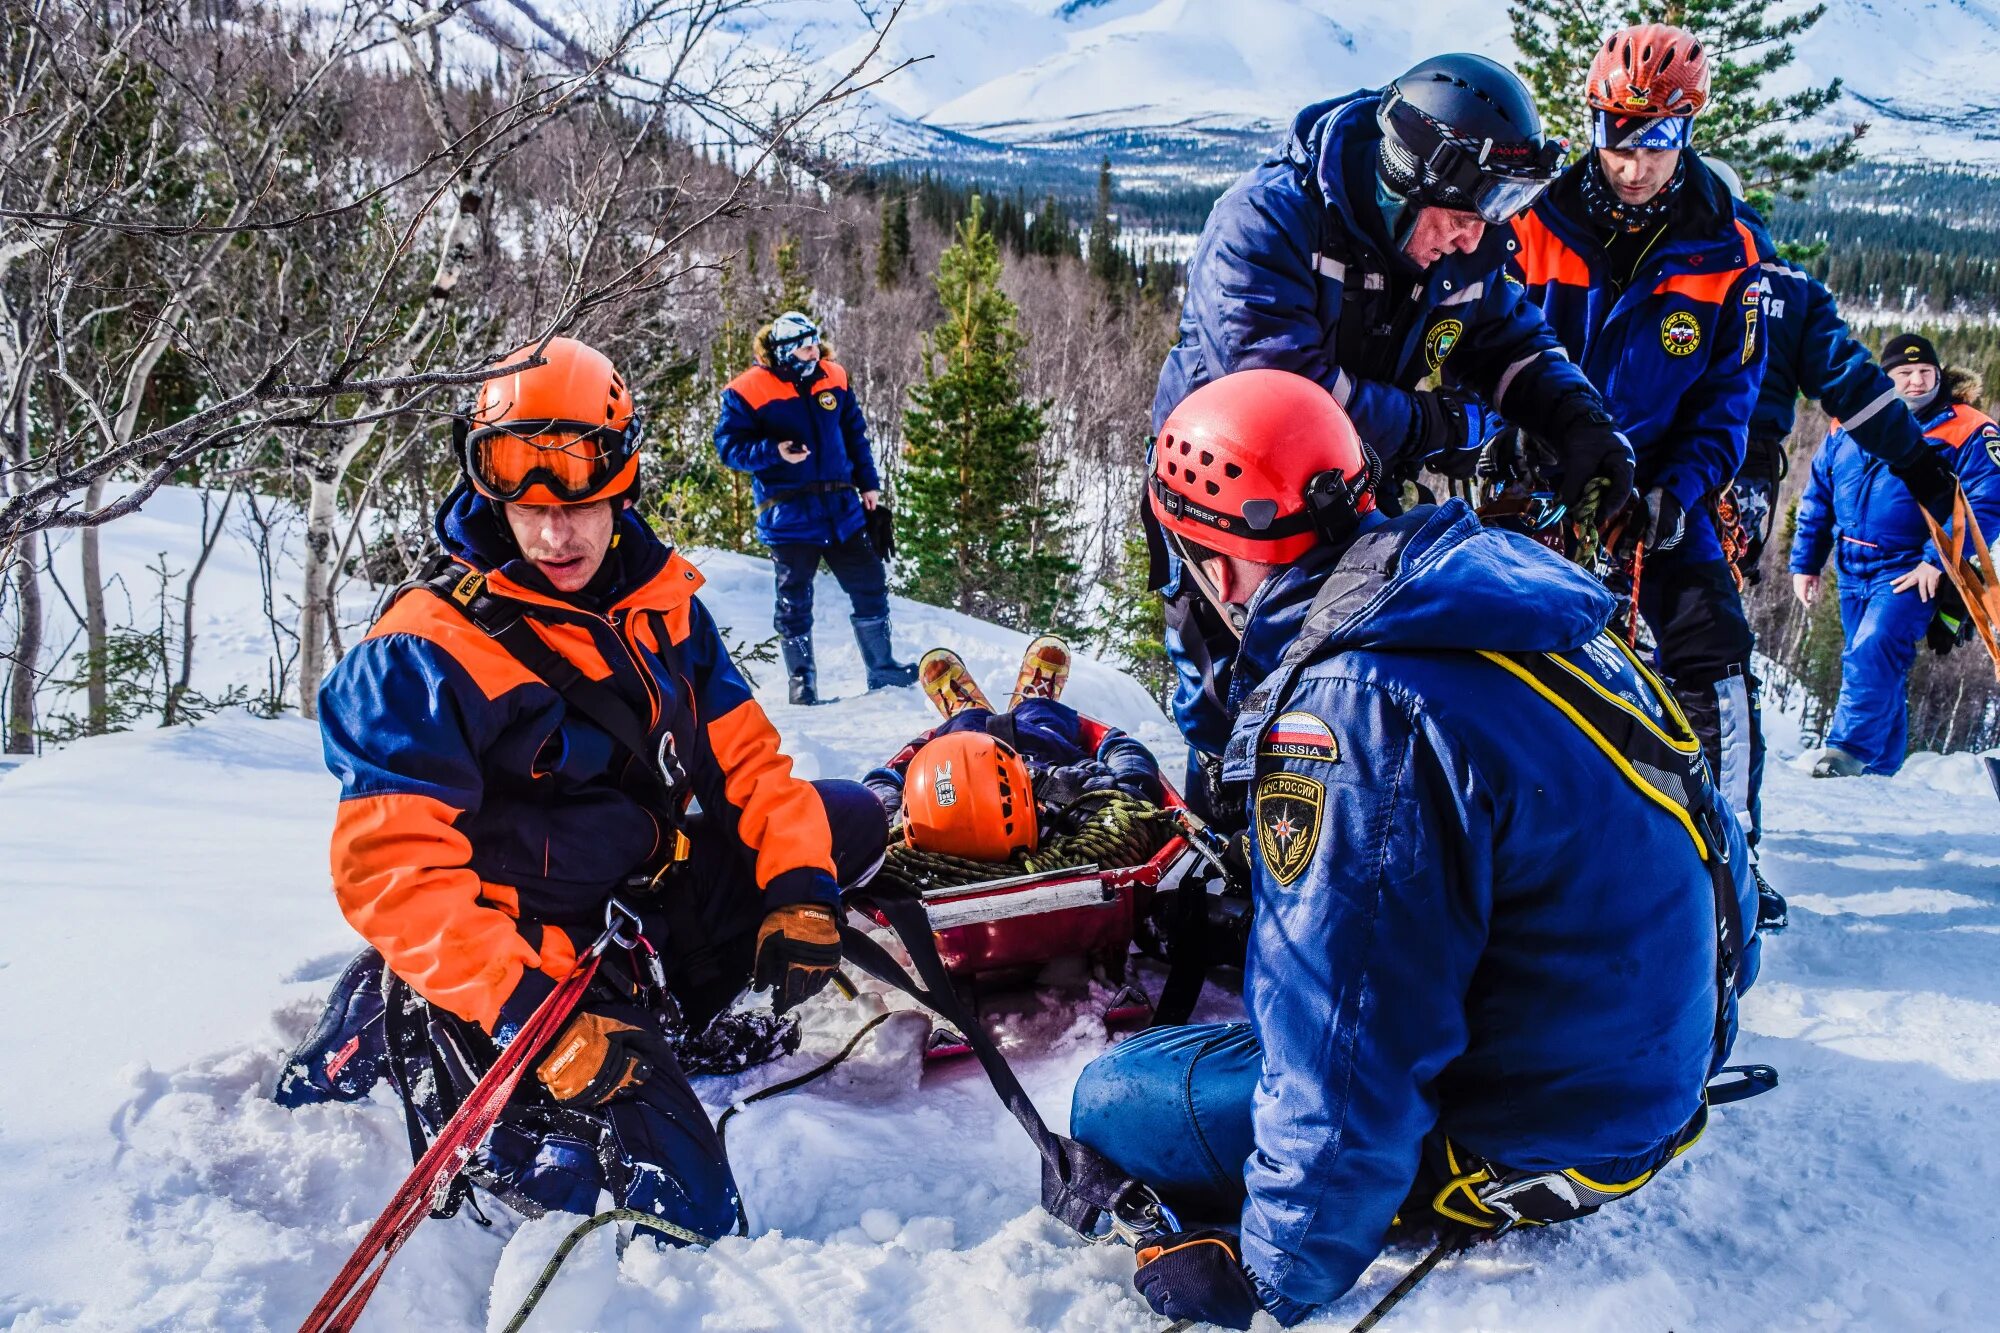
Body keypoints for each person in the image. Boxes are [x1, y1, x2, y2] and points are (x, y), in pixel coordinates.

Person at [1072, 369, 1758, 1329]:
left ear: (1218, 567)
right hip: (1653, 1070)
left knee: (1117, 1097)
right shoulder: (1501, 593)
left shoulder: (1349, 712)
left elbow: (1348, 1037)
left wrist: (1275, 1274)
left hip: (1549, 1138)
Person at [278, 337, 889, 1240]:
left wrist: (798, 889)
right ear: (491, 496)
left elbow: (751, 765)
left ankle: (669, 1008)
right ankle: (410, 1008)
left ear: (622, 483)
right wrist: (530, 1017)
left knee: (844, 822)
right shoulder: (423, 650)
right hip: (525, 956)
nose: (554, 534)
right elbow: (393, 872)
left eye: (581, 503)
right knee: (686, 1207)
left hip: (638, 900)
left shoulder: (661, 602)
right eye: (526, 508)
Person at [1151, 51, 1635, 825]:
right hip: (1231, 502)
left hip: (1351, 490)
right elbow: (1291, 394)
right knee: (1231, 689)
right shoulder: (1268, 220)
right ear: (1408, 176)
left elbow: (1512, 342)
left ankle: (1337, 836)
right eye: (1464, 211)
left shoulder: (1462, 240)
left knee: (1347, 680)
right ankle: (1225, 846)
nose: (1474, 234)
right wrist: (1446, 428)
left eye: (1495, 212)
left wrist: (1579, 422)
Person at [1507, 23, 1768, 842]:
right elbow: (1476, 343)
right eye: (1618, 137)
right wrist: (1505, 443)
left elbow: (1731, 400)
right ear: (1593, 125)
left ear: (1686, 133)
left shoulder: (1728, 247)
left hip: (1657, 486)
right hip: (1540, 473)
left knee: (1713, 646)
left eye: (1656, 141)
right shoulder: (1530, 222)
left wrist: (1679, 492)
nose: (1633, 164)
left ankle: (1730, 844)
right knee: (1505, 643)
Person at [1702, 159, 1957, 581]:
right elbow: (1850, 384)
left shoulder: (1656, 271)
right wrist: (1916, 462)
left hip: (1657, 455)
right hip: (1745, 470)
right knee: (1714, 589)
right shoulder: (1792, 287)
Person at [1790, 334, 2000, 777]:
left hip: (1912, 569)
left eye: (1926, 372)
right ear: (1887, 378)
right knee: (1877, 664)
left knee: (1872, 650)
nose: (1917, 381)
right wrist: (1806, 563)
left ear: (1940, 375)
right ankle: (1881, 773)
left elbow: (1987, 502)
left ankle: (1844, 754)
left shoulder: (1969, 428)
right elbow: (1818, 495)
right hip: (1851, 567)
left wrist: (1935, 560)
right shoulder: (1851, 420)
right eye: (1904, 374)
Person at [714, 310, 916, 705]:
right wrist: (774, 452)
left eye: (815, 343)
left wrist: (869, 485)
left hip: (842, 509)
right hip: (788, 514)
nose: (814, 352)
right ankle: (802, 686)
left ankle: (883, 668)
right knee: (794, 602)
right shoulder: (745, 391)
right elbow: (729, 448)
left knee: (871, 584)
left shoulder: (833, 377)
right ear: (785, 351)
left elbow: (854, 433)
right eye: (805, 347)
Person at [864, 639, 1164, 857]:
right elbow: (1131, 772)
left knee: (967, 725)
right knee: (1042, 717)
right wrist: (1123, 764)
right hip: (1045, 756)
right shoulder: (1090, 809)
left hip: (957, 760)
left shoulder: (907, 831)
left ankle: (965, 713)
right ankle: (1033, 703)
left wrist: (897, 790)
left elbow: (880, 784)